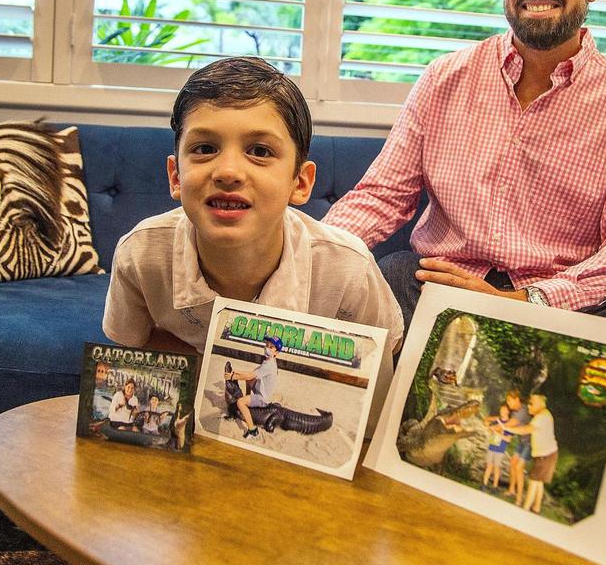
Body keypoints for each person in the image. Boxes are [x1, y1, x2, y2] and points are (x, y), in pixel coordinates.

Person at [323, 0, 606, 369]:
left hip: (556, 309)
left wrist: (522, 302)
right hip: (443, 291)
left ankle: (477, 370)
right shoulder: (444, 78)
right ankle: (502, 376)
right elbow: (382, 196)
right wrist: (309, 252)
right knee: (394, 272)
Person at [102, 57, 404, 355]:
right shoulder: (140, 255)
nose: (228, 172)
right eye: (205, 149)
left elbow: (384, 355)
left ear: (299, 183)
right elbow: (132, 342)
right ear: (176, 176)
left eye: (259, 151)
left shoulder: (349, 269)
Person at [504, 394, 558, 514]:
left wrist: (507, 429)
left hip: (545, 455)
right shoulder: (543, 414)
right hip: (546, 454)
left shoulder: (541, 418)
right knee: (539, 482)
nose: (528, 406)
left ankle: (525, 509)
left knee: (534, 481)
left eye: (531, 403)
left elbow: (526, 429)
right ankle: (536, 508)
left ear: (539, 404)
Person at [225, 335, 283, 438]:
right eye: (267, 345)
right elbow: (251, 374)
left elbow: (249, 375)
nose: (267, 348)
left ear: (276, 353)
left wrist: (234, 376)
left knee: (240, 402)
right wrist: (237, 371)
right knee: (249, 381)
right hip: (261, 389)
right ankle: (249, 400)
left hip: (263, 398)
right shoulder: (269, 361)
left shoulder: (268, 366)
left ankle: (252, 430)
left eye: (271, 347)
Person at [482, 403, 512, 491]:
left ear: (508, 411)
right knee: (489, 466)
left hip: (500, 449)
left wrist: (497, 433)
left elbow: (508, 439)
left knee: (496, 467)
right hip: (492, 446)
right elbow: (488, 427)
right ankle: (484, 484)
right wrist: (490, 428)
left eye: (504, 410)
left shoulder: (510, 423)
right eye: (501, 409)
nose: (502, 412)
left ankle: (495, 486)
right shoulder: (496, 421)